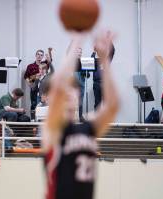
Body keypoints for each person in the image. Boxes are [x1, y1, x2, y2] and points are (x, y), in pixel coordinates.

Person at [43, 31, 119, 199]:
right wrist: (78, 38)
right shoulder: (53, 130)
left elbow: (113, 105)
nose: (70, 93)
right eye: (65, 90)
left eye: (74, 89)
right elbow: (57, 83)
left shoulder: (88, 128)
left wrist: (105, 60)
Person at [24, 48, 52, 119]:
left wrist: (49, 52)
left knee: (43, 105)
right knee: (33, 104)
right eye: (38, 55)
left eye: (41, 55)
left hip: (43, 90)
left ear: (43, 57)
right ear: (36, 55)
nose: (39, 56)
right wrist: (30, 84)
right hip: (34, 87)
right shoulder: (30, 66)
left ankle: (42, 119)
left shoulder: (45, 64)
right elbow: (26, 76)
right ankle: (33, 120)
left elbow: (50, 61)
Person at [92, 35, 115, 110]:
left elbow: (112, 51)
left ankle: (106, 121)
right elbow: (90, 60)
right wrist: (94, 50)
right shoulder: (95, 61)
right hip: (96, 84)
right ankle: (97, 121)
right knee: (97, 104)